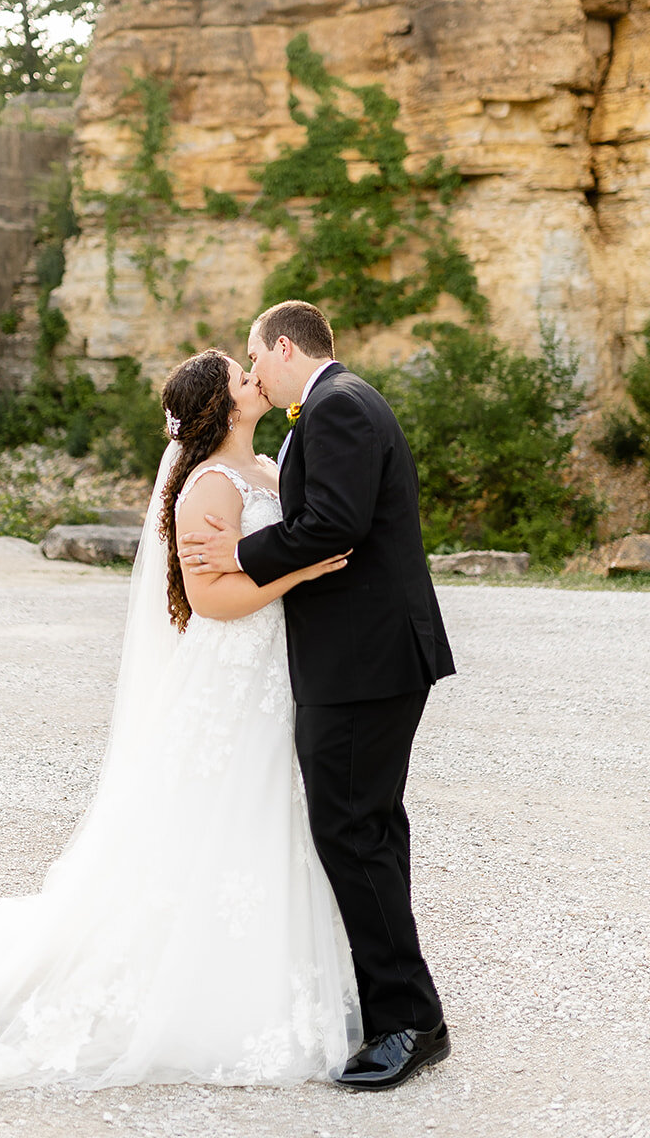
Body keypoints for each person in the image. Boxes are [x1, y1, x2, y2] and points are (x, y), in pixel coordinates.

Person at [0, 349, 362, 1088]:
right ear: (220, 405)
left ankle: (268, 975)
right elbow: (211, 601)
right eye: (239, 375)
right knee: (224, 816)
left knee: (265, 819)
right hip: (230, 677)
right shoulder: (209, 485)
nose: (253, 377)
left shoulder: (263, 464)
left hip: (267, 676)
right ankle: (198, 999)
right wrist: (300, 568)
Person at [180, 300, 455, 1091]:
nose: (253, 372)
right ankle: (402, 1009)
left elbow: (333, 525)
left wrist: (238, 550)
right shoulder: (340, 403)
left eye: (254, 358)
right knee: (370, 829)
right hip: (368, 660)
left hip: (363, 664)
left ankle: (408, 1022)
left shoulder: (335, 408)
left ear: (285, 347)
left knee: (352, 831)